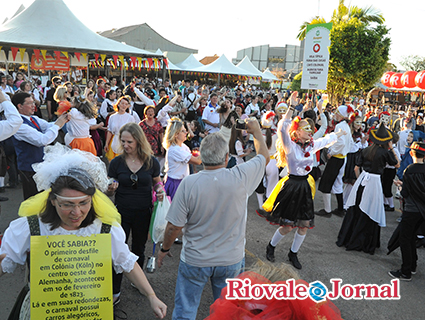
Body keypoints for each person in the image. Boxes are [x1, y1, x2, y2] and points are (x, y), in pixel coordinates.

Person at [0, 144, 167, 319]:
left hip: (89, 308)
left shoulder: (104, 228)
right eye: (67, 204)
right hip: (45, 309)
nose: (76, 212)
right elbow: (5, 260)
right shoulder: (31, 227)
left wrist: (151, 296)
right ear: (52, 200)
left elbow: (126, 261)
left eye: (84, 203)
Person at [157, 119, 270, 320]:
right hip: (231, 259)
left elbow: (174, 226)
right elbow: (263, 156)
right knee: (227, 312)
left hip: (195, 259)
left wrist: (164, 249)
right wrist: (257, 132)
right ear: (226, 157)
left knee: (185, 311)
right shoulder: (240, 176)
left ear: (201, 155)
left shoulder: (189, 183)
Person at [258, 98, 345, 269]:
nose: (310, 132)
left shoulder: (310, 146)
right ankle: (271, 246)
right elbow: (283, 127)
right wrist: (291, 107)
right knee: (287, 226)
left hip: (305, 186)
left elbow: (325, 140)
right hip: (292, 186)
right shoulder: (290, 146)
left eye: (311, 130)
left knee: (303, 226)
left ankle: (293, 253)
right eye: (306, 130)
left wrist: (338, 134)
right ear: (297, 132)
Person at [107, 123, 165, 301]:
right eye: (123, 141)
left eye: (129, 142)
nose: (125, 145)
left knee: (139, 247)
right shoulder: (117, 162)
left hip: (143, 212)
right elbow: (109, 185)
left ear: (139, 141)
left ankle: (137, 282)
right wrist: (110, 188)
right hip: (121, 212)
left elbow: (156, 181)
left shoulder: (151, 161)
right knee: (118, 249)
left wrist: (160, 190)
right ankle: (115, 289)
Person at [336, 124, 398, 254]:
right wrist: (391, 148)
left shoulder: (366, 150)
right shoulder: (386, 153)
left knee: (356, 207)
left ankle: (348, 238)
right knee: (370, 209)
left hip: (362, 180)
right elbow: (397, 164)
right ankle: (363, 241)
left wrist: (359, 180)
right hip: (374, 182)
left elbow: (356, 168)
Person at [12, 92, 69, 200]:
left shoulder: (33, 118)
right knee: (33, 199)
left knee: (43, 197)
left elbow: (48, 126)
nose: (34, 105)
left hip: (38, 166)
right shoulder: (19, 125)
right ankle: (32, 217)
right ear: (20, 106)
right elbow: (42, 140)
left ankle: (41, 216)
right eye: (30, 103)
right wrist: (58, 124)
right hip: (29, 168)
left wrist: (62, 119)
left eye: (33, 102)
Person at [389, 140, 425, 281]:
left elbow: (405, 194)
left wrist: (400, 187)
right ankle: (412, 266)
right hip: (422, 212)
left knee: (405, 238)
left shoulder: (409, 170)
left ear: (411, 153)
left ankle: (405, 272)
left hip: (411, 210)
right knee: (411, 237)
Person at [316, 105, 354, 217]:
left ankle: (327, 210)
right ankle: (340, 208)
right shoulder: (346, 126)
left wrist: (331, 152)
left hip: (336, 159)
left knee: (325, 184)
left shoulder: (340, 126)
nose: (335, 114)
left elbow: (341, 143)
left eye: (337, 112)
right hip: (342, 158)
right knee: (337, 183)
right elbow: (350, 143)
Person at [162, 117, 202, 200]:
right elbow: (198, 161)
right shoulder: (175, 149)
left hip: (181, 181)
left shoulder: (182, 146)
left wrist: (197, 152)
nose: (186, 132)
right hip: (175, 183)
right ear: (176, 134)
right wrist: (205, 149)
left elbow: (192, 156)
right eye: (183, 131)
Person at [104, 96, 136, 161]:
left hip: (125, 142)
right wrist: (106, 143)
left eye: (126, 104)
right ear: (118, 104)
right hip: (114, 141)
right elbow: (109, 131)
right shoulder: (112, 117)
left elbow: (133, 132)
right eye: (122, 103)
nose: (124, 106)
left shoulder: (130, 118)